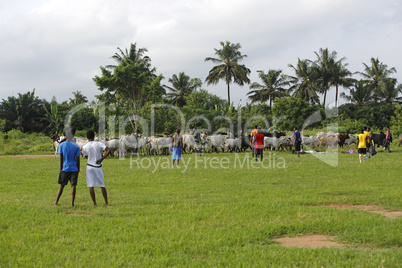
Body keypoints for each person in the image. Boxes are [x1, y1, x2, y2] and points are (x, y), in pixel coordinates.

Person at [82, 130, 111, 206]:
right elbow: (108, 150)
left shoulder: (85, 147)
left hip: (89, 167)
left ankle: (95, 203)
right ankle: (106, 202)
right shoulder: (99, 144)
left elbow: (85, 155)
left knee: (91, 185)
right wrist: (101, 159)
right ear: (94, 136)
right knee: (102, 185)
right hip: (98, 166)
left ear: (87, 138)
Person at [54, 130, 81, 207]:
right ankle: (72, 203)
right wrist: (78, 169)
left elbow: (61, 158)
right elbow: (77, 159)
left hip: (65, 168)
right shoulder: (76, 146)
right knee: (73, 186)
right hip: (74, 168)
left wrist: (60, 168)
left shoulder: (62, 145)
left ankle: (56, 201)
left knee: (61, 186)